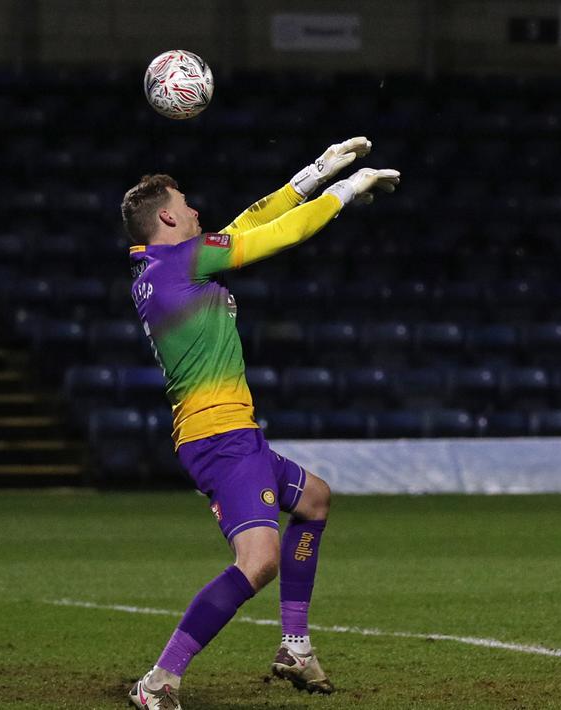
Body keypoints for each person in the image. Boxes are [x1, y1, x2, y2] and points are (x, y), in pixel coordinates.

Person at [121, 138, 400, 709]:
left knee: (314, 500)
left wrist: (313, 175)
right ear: (167, 217)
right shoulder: (184, 261)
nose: (197, 211)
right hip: (220, 435)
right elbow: (278, 235)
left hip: (223, 432)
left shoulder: (161, 266)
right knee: (259, 561)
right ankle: (159, 682)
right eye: (186, 204)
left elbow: (247, 224)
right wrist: (346, 191)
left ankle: (294, 647)